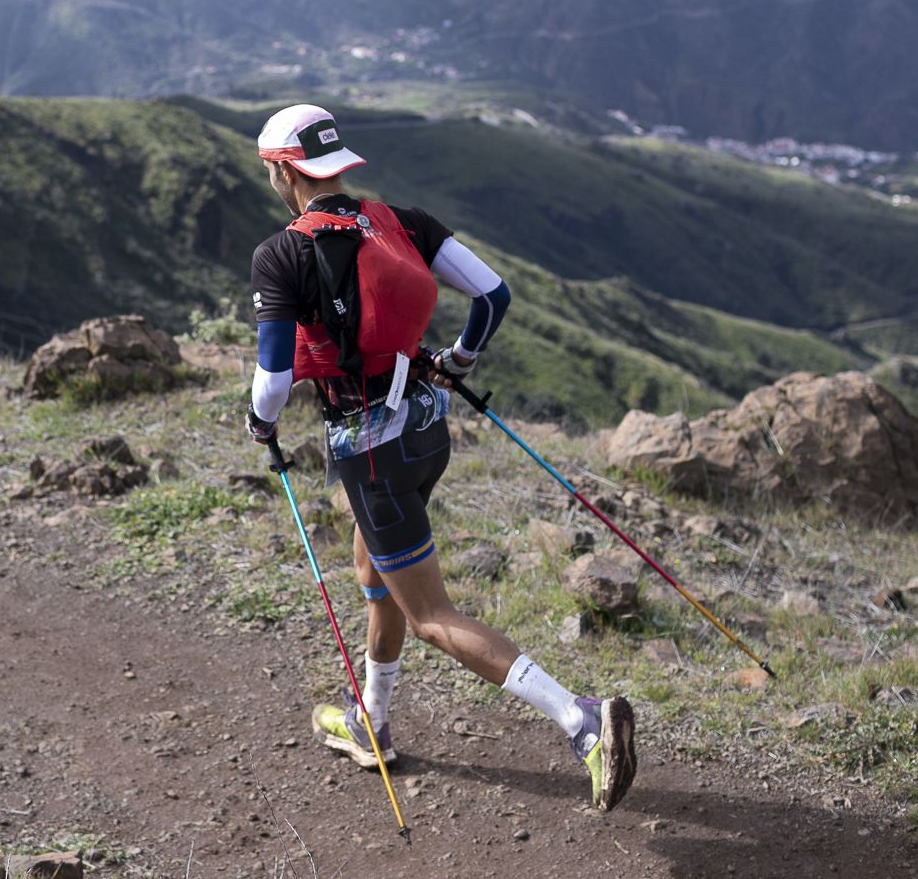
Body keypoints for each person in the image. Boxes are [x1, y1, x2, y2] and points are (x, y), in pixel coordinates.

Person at [244, 102, 636, 812]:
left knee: (429, 613)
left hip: (370, 450)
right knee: (373, 568)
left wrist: (258, 424)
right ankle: (373, 718)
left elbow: (272, 378)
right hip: (426, 430)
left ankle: (580, 719)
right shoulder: (405, 222)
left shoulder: (282, 253)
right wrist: (456, 357)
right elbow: (493, 294)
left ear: (282, 171)